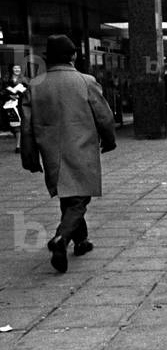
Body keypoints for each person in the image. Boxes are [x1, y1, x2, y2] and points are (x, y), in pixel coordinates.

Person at [20, 35, 116, 273]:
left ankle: (81, 241)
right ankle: (60, 238)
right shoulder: (86, 81)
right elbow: (104, 116)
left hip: (52, 152)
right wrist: (109, 139)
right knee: (79, 198)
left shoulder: (35, 86)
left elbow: (27, 127)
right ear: (73, 56)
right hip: (80, 148)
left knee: (69, 196)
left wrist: (30, 156)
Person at [3, 64, 28, 153]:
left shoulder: (24, 79)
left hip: (21, 105)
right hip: (10, 105)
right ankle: (19, 143)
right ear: (12, 69)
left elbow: (28, 91)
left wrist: (20, 95)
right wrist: (9, 95)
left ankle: (18, 146)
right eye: (15, 68)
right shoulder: (6, 80)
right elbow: (2, 91)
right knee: (14, 126)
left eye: (19, 68)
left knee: (20, 125)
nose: (17, 69)